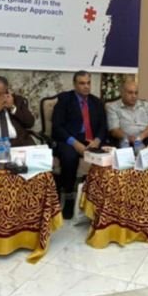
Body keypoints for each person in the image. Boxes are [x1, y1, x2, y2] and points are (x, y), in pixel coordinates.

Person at [51, 70, 107, 219]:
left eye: (88, 83)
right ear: (75, 84)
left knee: (108, 156)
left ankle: (99, 200)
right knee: (69, 157)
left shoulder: (96, 102)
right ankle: (69, 196)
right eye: (82, 83)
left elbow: (103, 126)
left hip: (91, 140)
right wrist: (75, 143)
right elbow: (57, 127)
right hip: (69, 139)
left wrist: (97, 140)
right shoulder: (64, 100)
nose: (86, 86)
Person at [106, 79, 148, 146]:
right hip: (124, 140)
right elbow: (114, 130)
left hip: (146, 138)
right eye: (130, 93)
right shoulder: (112, 107)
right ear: (122, 93)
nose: (134, 96)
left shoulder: (146, 105)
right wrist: (127, 138)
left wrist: (140, 137)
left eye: (136, 93)